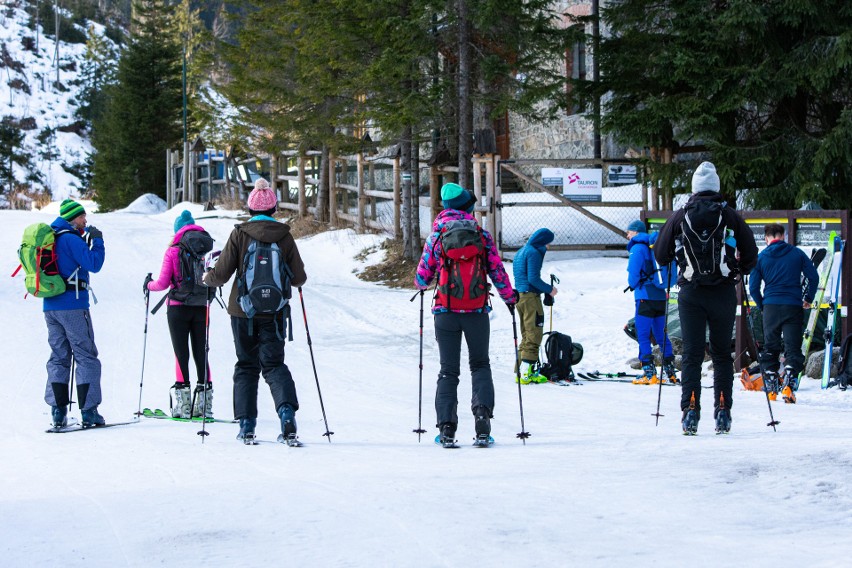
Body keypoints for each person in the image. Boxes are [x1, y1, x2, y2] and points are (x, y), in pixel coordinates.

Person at [654, 162, 758, 434]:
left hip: (691, 292)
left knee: (691, 354)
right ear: (716, 187)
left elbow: (661, 255)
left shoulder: (680, 216)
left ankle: (690, 412)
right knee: (723, 354)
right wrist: (739, 269)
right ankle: (723, 410)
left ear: (694, 189)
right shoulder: (729, 215)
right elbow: (751, 253)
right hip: (723, 291)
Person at [202, 178, 307, 442]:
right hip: (275, 312)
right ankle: (286, 415)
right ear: (273, 209)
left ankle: (246, 425)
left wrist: (207, 279)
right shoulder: (284, 236)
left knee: (246, 366)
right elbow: (298, 278)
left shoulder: (240, 233)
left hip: (242, 311)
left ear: (250, 209)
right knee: (274, 364)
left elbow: (222, 273)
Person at [414, 182, 517, 446]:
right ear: (466, 207)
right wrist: (509, 297)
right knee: (480, 364)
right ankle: (482, 421)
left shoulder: (436, 236)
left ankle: (447, 428)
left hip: (445, 311)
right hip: (477, 310)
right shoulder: (481, 235)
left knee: (448, 370)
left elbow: (421, 278)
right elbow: (497, 271)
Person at [145, 210, 215, 418]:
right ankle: (204, 405)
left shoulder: (174, 250)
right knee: (201, 352)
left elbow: (162, 283)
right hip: (202, 306)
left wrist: (147, 284)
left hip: (177, 307)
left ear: (177, 230)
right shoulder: (208, 248)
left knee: (181, 352)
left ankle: (183, 406)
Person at [44, 199, 106, 428]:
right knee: (85, 355)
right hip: (73, 304)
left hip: (50, 306)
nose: (85, 220)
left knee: (59, 356)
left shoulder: (52, 237)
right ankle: (89, 411)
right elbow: (94, 263)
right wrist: (97, 242)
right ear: (72, 219)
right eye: (82, 217)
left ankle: (58, 411)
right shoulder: (70, 239)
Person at [748, 223, 818, 404]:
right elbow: (813, 276)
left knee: (770, 347)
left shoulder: (761, 257)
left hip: (770, 306)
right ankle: (789, 384)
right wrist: (808, 298)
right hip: (793, 305)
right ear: (783, 236)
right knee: (792, 347)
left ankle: (771, 386)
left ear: (766, 238)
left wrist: (763, 305)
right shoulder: (796, 253)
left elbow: (753, 287)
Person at [625, 219, 676, 385]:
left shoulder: (637, 248)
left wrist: (633, 284)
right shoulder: (657, 246)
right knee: (662, 334)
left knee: (643, 334)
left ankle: (648, 371)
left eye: (629, 232)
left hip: (644, 297)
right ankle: (670, 371)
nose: (627, 235)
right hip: (660, 296)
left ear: (636, 232)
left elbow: (633, 274)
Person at [512, 228, 557, 384]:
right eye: (548, 243)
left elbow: (523, 278)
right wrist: (550, 290)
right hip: (530, 298)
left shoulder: (521, 251)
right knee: (535, 333)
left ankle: (520, 370)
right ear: (542, 241)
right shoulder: (533, 253)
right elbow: (533, 279)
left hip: (519, 296)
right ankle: (526, 373)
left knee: (526, 333)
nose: (549, 247)